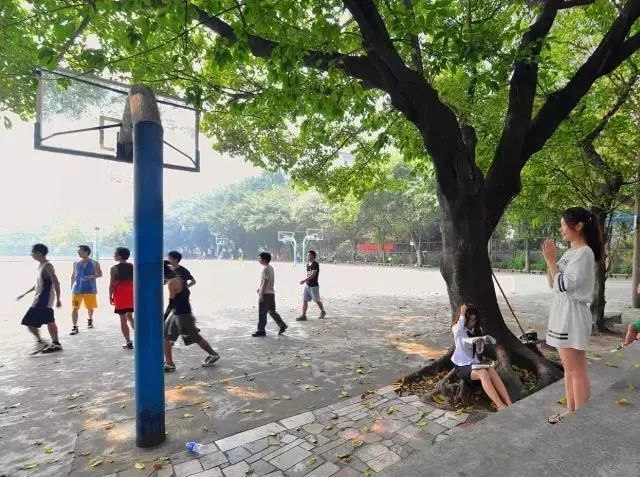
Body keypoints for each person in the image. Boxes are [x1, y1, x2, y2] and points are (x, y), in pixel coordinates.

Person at [542, 206, 602, 424]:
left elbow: (564, 284)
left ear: (578, 226)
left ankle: (580, 419)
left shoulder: (584, 253)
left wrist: (551, 261)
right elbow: (553, 282)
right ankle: (571, 411)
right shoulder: (570, 253)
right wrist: (550, 262)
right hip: (563, 312)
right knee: (569, 369)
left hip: (572, 315)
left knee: (576, 370)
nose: (561, 229)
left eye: (563, 225)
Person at [451, 304, 512, 410]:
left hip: (474, 364)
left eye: (474, 320)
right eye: (470, 320)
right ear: (465, 320)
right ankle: (500, 405)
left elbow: (478, 352)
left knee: (490, 369)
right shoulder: (457, 329)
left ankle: (508, 401)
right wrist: (462, 313)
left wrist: (479, 344)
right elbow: (460, 327)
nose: (473, 323)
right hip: (462, 366)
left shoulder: (476, 329)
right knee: (483, 373)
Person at [163, 261, 219, 371]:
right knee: (166, 337)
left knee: (195, 337)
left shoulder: (172, 283)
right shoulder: (179, 278)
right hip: (178, 313)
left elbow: (171, 303)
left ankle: (213, 354)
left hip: (183, 314)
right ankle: (169, 363)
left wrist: (164, 317)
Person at [17, 244, 63, 354]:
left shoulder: (48, 266)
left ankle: (54, 343)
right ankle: (45, 342)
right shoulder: (41, 266)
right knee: (37, 321)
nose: (31, 255)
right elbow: (38, 284)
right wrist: (25, 293)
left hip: (45, 299)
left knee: (45, 321)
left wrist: (58, 299)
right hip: (39, 299)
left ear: (39, 253)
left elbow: (56, 283)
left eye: (32, 252)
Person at [253, 252, 287, 337]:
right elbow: (266, 282)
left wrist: (261, 294)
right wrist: (260, 289)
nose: (258, 259)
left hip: (266, 294)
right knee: (272, 311)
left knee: (262, 313)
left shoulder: (265, 269)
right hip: (271, 293)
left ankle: (261, 330)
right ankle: (282, 325)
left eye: (260, 258)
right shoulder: (270, 268)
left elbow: (264, 282)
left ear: (264, 260)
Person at [70, 245, 102, 335]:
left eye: (80, 251)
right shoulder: (75, 263)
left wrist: (91, 276)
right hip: (77, 290)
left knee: (89, 307)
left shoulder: (94, 263)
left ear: (87, 252)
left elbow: (100, 274)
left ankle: (90, 319)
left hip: (90, 290)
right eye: (78, 251)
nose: (78, 252)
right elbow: (73, 275)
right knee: (75, 308)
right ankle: (74, 326)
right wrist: (71, 287)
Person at [109, 247, 134, 349]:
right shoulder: (132, 266)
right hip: (131, 293)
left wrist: (110, 296)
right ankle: (141, 338)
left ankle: (128, 342)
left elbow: (111, 284)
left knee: (123, 319)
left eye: (115, 254)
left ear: (119, 256)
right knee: (130, 317)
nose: (113, 255)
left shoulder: (114, 268)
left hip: (120, 294)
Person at [164, 251, 195, 320]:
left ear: (176, 260)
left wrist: (185, 287)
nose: (168, 260)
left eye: (170, 258)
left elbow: (193, 281)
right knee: (177, 310)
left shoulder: (183, 270)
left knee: (175, 309)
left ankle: (164, 319)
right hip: (174, 293)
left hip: (182, 294)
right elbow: (166, 281)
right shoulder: (169, 269)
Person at [296, 250, 326, 321]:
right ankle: (303, 315)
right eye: (307, 255)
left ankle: (323, 311)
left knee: (317, 300)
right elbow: (308, 274)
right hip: (307, 286)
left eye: (309, 255)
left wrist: (304, 280)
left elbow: (313, 275)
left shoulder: (315, 264)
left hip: (314, 286)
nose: (308, 256)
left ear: (313, 256)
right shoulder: (307, 264)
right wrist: (306, 281)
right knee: (304, 300)